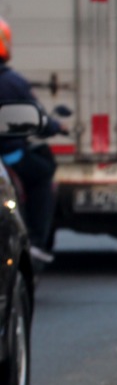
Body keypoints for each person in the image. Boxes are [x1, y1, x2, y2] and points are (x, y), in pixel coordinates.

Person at [0, 17, 65, 264]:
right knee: (42, 173)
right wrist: (56, 126)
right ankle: (36, 240)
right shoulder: (11, 82)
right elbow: (40, 119)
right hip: (8, 153)